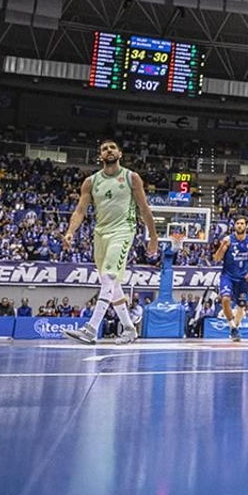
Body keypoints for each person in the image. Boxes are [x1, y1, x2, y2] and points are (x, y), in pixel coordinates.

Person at [58, 139, 158, 345]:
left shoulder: (131, 177)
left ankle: (91, 329)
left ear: (120, 153)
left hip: (123, 230)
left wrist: (153, 237)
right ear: (100, 156)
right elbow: (79, 211)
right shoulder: (91, 182)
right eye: (104, 149)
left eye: (112, 147)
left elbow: (144, 208)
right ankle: (129, 329)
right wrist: (70, 232)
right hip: (100, 233)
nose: (109, 151)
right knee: (111, 284)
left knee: (110, 276)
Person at [213, 215, 248, 342]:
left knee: (241, 306)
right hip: (228, 276)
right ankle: (232, 327)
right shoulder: (228, 239)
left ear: (246, 226)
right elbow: (216, 259)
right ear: (234, 226)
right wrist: (222, 247)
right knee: (225, 299)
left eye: (242, 223)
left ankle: (235, 330)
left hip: (243, 277)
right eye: (237, 223)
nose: (239, 225)